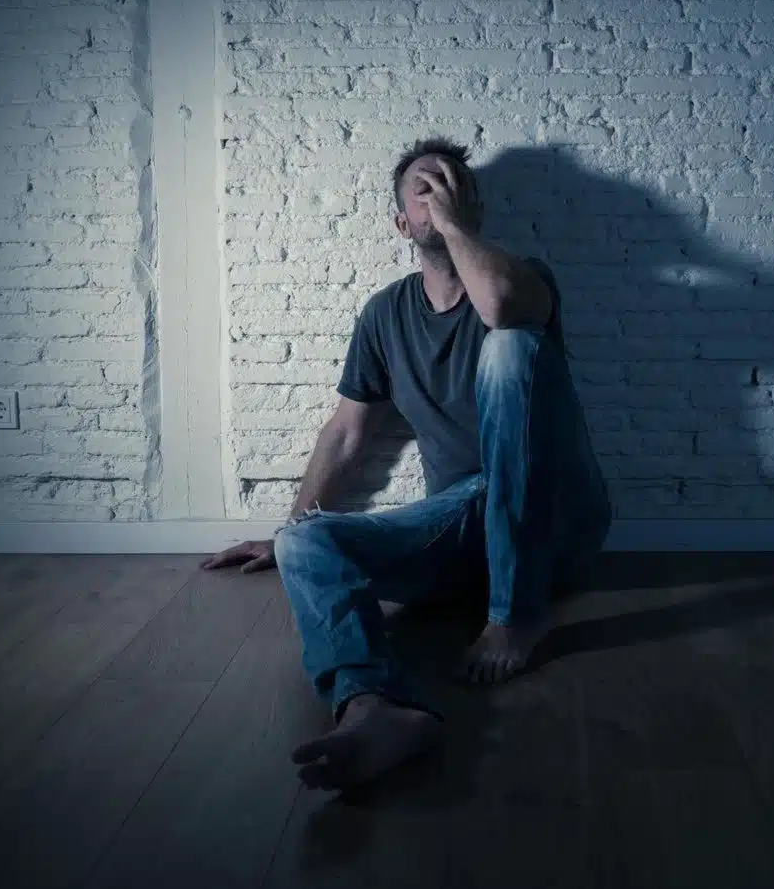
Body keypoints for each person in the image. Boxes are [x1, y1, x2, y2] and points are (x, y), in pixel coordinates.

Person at [201, 136, 611, 791]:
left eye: (454, 186)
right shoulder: (385, 314)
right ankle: (373, 706)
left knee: (509, 348)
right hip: (462, 529)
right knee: (303, 540)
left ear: (474, 207)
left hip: (557, 522)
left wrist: (452, 224)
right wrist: (285, 530)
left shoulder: (523, 279)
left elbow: (500, 308)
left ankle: (515, 614)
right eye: (425, 189)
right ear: (401, 224)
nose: (440, 194)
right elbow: (346, 434)